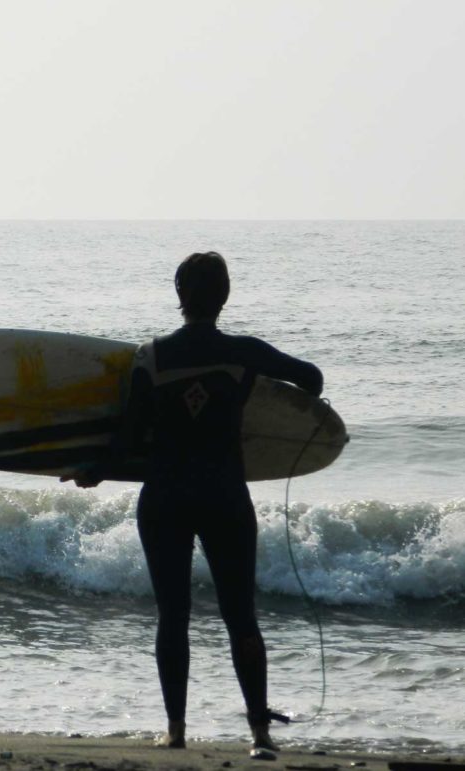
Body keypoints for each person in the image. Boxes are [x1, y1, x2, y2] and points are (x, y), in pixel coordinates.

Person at [63, 252, 323, 756]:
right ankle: (259, 733)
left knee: (173, 616)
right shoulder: (245, 353)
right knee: (241, 616)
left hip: (165, 497)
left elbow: (129, 439)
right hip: (225, 496)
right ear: (224, 296)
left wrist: (92, 473)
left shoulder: (150, 358)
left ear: (179, 295)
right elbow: (310, 378)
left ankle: (176, 731)